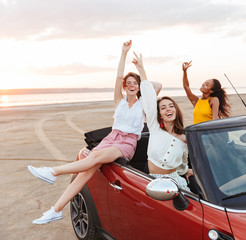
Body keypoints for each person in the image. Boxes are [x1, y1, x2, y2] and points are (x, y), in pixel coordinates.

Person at [27, 40, 161, 224]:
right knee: (85, 172)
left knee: (94, 159)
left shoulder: (144, 105)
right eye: (128, 83)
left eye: (135, 83)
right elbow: (118, 76)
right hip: (111, 138)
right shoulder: (119, 101)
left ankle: (53, 172)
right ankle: (56, 209)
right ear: (124, 86)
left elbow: (156, 85)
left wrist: (141, 69)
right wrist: (123, 53)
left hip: (127, 143)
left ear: (139, 87)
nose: (132, 85)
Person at [132, 52, 193, 190]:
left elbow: (183, 163)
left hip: (176, 181)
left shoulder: (184, 138)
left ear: (176, 111)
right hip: (153, 181)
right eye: (163, 108)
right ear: (159, 114)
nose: (168, 109)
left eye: (171, 106)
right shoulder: (154, 127)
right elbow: (148, 97)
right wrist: (141, 69)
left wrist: (186, 171)